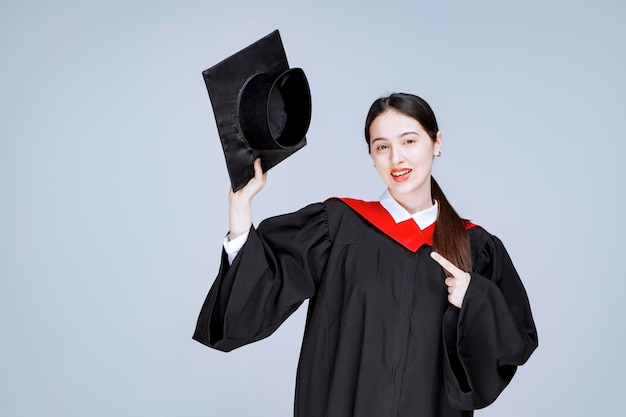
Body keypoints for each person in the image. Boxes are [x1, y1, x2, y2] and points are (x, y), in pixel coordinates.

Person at [193, 92, 538, 417]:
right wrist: (240, 213)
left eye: (409, 141)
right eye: (382, 146)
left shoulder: (475, 247)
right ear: (371, 156)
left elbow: (508, 349)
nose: (396, 158)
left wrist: (475, 299)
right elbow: (260, 292)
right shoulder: (337, 227)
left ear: (437, 143)